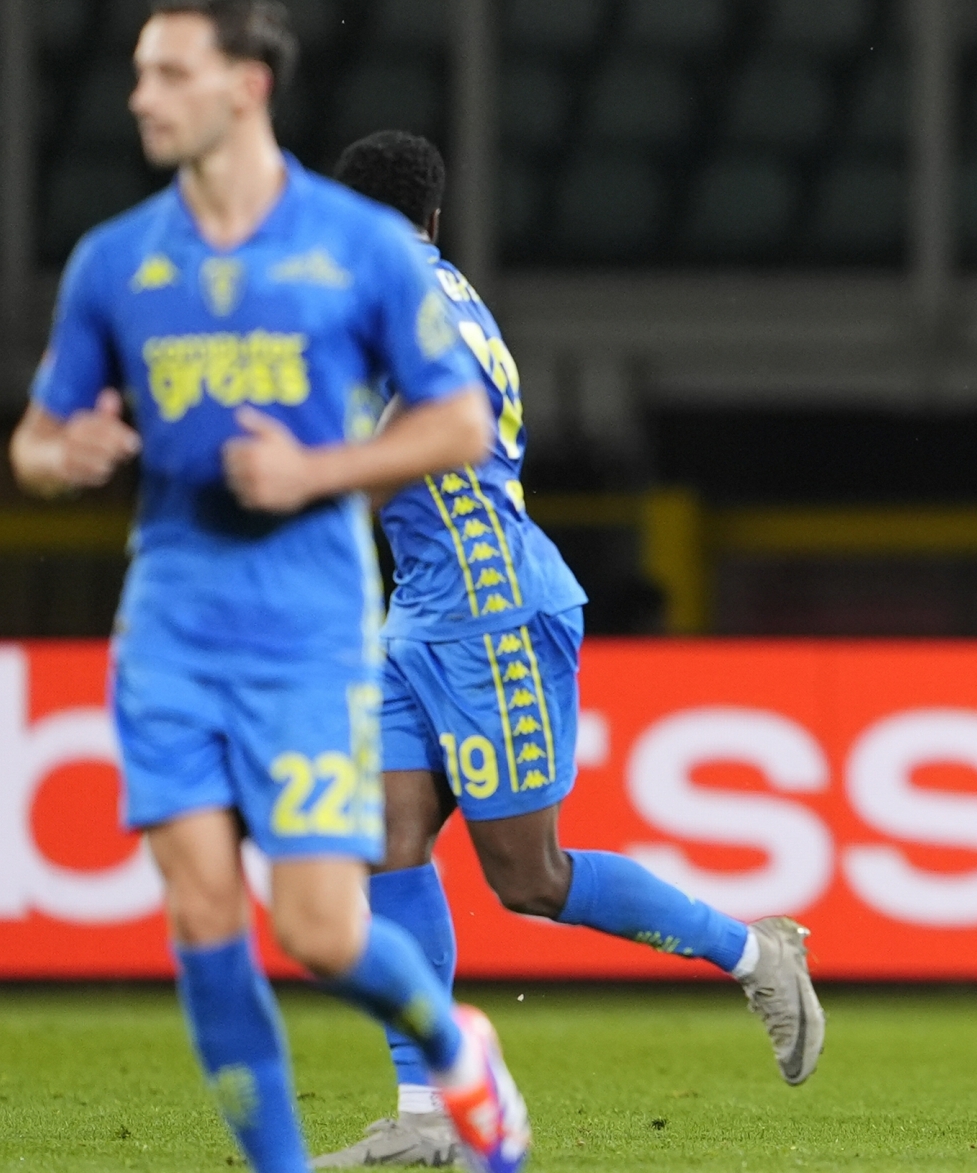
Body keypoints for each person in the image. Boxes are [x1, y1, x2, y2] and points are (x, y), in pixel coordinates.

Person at [8, 0, 529, 1173]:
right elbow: (35, 437)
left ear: (246, 88)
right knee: (201, 915)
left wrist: (321, 468)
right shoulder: (118, 261)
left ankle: (453, 1047)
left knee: (320, 929)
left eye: (169, 73)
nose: (141, 95)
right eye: (140, 73)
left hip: (308, 630)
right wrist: (60, 456)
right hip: (170, 625)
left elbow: (459, 424)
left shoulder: (353, 250)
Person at [315, 131, 825, 1168]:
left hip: (491, 604)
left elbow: (440, 418)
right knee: (385, 838)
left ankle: (753, 951)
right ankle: (429, 1116)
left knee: (527, 878)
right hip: (424, 604)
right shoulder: (434, 285)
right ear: (436, 216)